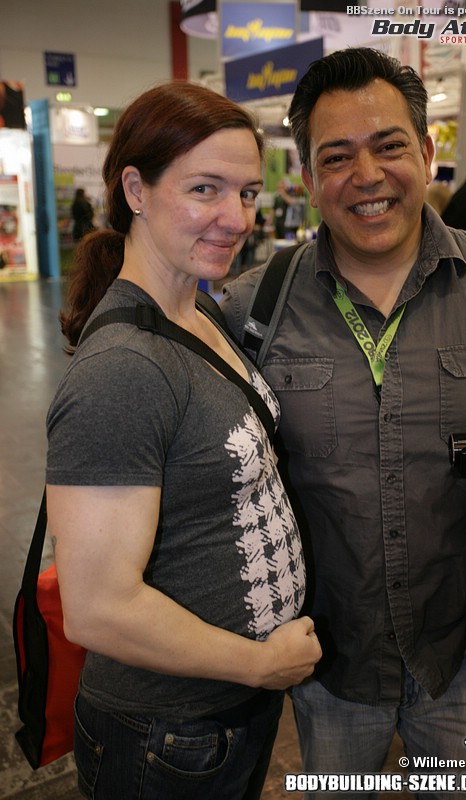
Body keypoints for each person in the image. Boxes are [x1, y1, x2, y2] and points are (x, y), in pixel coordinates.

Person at [221, 48, 466, 799]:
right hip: (329, 665)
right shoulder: (250, 310)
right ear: (307, 177)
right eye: (336, 156)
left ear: (426, 152)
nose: (366, 175)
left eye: (388, 145)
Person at [45, 81, 321, 800]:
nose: (236, 218)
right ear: (135, 189)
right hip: (165, 732)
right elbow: (97, 607)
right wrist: (259, 664)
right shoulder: (123, 370)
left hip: (223, 714)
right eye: (205, 189)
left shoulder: (200, 314)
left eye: (248, 193)